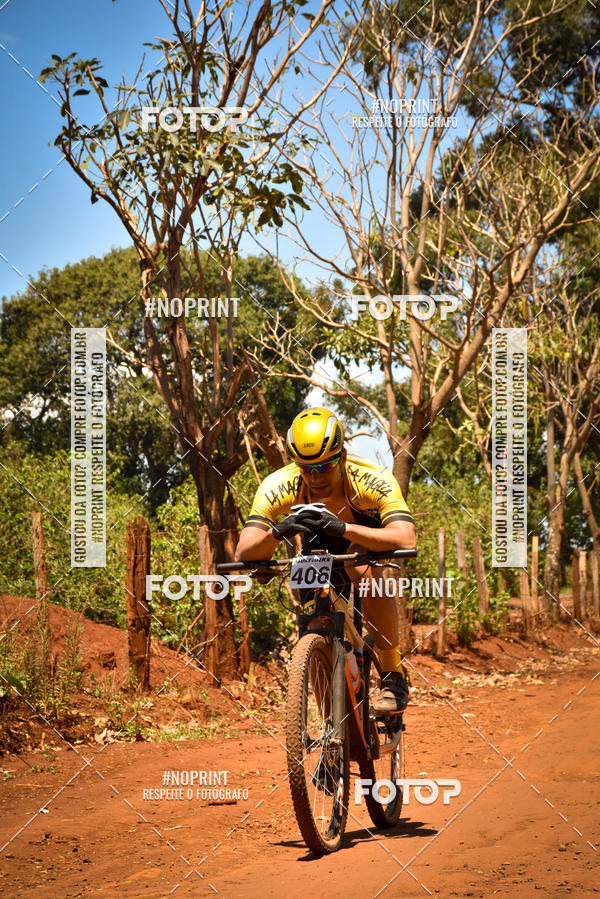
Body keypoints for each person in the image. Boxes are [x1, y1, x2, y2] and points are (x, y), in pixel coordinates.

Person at [235, 407, 417, 713]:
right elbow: (245, 551)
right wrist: (278, 532)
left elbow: (405, 537)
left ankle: (392, 672)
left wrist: (345, 528)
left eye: (325, 466)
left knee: (364, 572)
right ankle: (329, 727)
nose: (315, 476)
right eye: (306, 468)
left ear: (342, 456)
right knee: (313, 622)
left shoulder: (371, 479)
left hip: (363, 531)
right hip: (317, 539)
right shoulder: (280, 484)